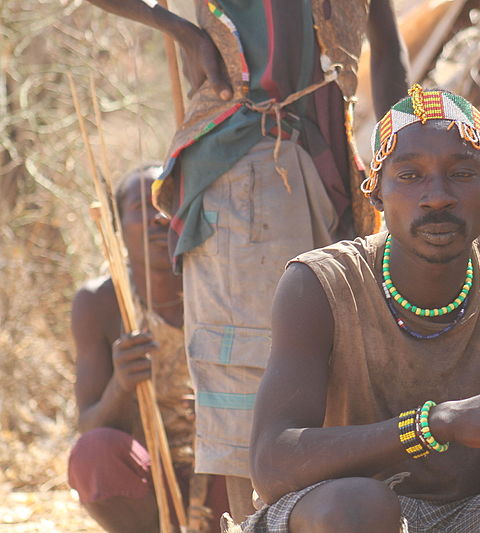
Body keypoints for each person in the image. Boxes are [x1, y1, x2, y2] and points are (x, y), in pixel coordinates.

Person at [234, 86, 480, 533]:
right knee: (360, 505)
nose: (438, 196)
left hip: (475, 512)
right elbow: (271, 465)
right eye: (410, 176)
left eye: (462, 174)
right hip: (348, 513)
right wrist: (438, 423)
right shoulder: (320, 284)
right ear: (376, 194)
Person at [83, 0, 409, 520]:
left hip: (329, 170)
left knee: (328, 388)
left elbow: (385, 40)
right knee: (258, 396)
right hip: (252, 160)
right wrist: (181, 31)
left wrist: (401, 155)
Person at [68, 166, 228, 533]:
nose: (159, 217)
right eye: (142, 206)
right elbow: (88, 426)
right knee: (93, 453)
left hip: (222, 469)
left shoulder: (220, 288)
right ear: (117, 227)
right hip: (147, 482)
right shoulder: (100, 302)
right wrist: (121, 385)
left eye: (169, 203)